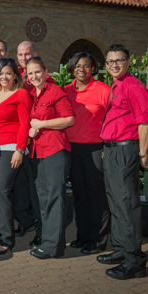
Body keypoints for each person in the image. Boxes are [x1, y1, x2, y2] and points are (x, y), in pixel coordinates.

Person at [97, 44, 148, 280]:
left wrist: (142, 153)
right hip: (111, 151)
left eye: (119, 61)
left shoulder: (133, 86)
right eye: (110, 62)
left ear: (129, 61)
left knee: (126, 205)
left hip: (124, 151)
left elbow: (145, 123)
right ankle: (120, 249)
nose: (114, 65)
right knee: (116, 202)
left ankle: (134, 260)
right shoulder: (116, 85)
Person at [26, 58, 74, 259]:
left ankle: (53, 247)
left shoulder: (56, 91)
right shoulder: (31, 95)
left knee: (54, 198)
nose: (34, 76)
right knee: (43, 199)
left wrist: (42, 124)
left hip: (55, 150)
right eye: (30, 74)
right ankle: (49, 242)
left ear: (46, 71)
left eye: (37, 72)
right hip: (37, 152)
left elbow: (69, 119)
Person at [64, 52, 111, 255]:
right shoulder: (66, 91)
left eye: (86, 66)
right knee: (79, 194)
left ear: (93, 68)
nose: (81, 70)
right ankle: (82, 235)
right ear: (72, 69)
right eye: (77, 66)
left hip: (94, 148)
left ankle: (98, 239)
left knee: (96, 194)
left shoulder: (103, 90)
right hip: (72, 148)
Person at [0, 58, 32, 255]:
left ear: (15, 76)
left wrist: (20, 149)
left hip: (11, 148)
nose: (4, 76)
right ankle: (1, 228)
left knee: (1, 191)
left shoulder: (21, 94)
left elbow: (25, 123)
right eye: (1, 73)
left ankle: (7, 239)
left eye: (8, 73)